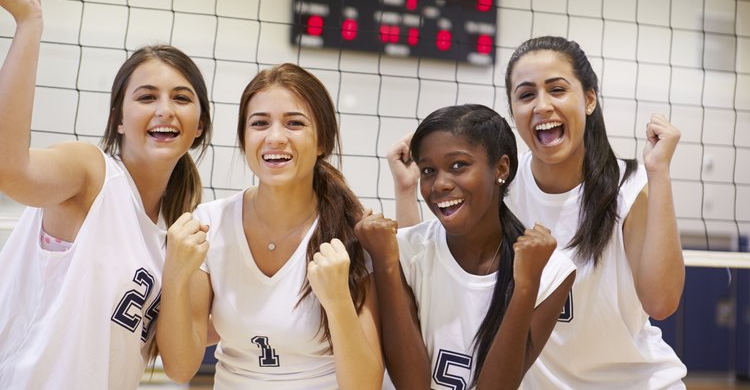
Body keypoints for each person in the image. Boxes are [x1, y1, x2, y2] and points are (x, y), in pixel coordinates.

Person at [390, 36, 687, 389]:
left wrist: (659, 173)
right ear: (513, 110)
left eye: (557, 90)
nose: (542, 106)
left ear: (589, 99)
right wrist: (407, 191)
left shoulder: (628, 187)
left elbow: (661, 302)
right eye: (527, 95)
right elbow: (428, 268)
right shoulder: (502, 185)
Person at [0, 0, 213, 389]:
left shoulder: (176, 233)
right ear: (118, 119)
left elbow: (182, 359)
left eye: (181, 98)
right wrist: (29, 20)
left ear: (200, 125)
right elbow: (10, 170)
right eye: (147, 96)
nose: (165, 110)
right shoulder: (91, 172)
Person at [157, 63, 383, 389]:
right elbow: (179, 369)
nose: (275, 137)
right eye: (260, 123)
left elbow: (365, 386)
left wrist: (337, 302)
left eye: (294, 123)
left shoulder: (349, 232)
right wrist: (175, 276)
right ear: (244, 138)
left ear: (323, 142)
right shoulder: (208, 224)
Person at [357, 104, 576, 389]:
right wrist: (386, 264)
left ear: (501, 168)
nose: (440, 184)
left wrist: (525, 286)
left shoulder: (551, 271)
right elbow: (412, 385)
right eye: (428, 170)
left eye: (458, 165)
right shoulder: (399, 252)